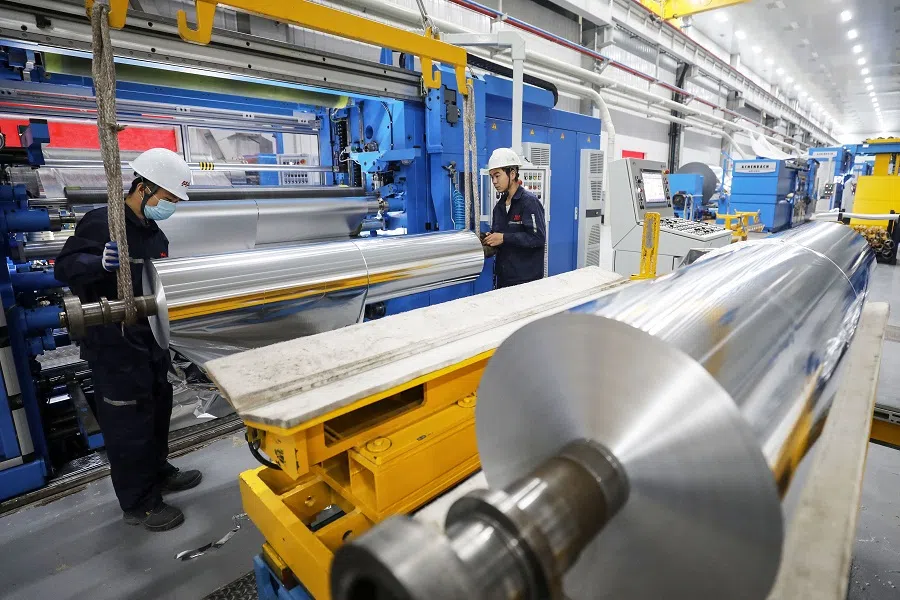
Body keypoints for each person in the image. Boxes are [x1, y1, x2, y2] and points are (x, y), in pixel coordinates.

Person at [55, 148, 200, 532]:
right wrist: (93, 263)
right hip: (115, 346)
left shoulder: (155, 234)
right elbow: (63, 268)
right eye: (167, 199)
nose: (169, 207)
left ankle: (158, 471)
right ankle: (140, 503)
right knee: (128, 424)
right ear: (143, 187)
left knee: (157, 410)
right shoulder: (102, 224)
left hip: (150, 340)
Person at [483, 148, 547, 288]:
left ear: (512, 174)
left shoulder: (529, 202)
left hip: (526, 281)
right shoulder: (499, 207)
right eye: (492, 177)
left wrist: (504, 238)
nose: (494, 181)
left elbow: (538, 238)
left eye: (497, 176)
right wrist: (490, 239)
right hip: (504, 279)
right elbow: (500, 236)